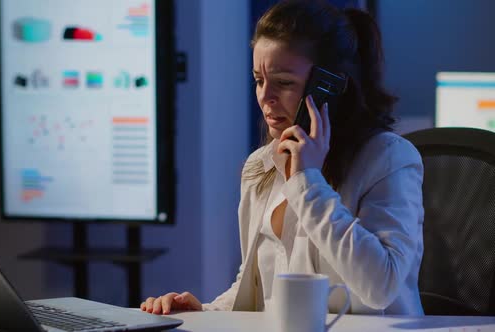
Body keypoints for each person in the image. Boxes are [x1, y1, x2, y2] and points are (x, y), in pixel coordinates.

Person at [141, 0, 424, 315]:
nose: (265, 96)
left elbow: (380, 287)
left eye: (284, 83)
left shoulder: (388, 158)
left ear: (329, 87)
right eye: (259, 80)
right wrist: (205, 313)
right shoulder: (260, 165)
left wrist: (307, 182)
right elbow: (256, 289)